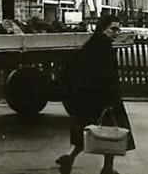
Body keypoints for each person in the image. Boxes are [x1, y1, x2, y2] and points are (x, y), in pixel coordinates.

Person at [56, 14, 135, 174]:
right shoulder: (105, 48)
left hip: (88, 98)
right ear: (103, 29)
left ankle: (69, 157)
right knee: (112, 134)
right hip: (104, 99)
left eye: (118, 29)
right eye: (113, 29)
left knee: (89, 130)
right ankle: (107, 169)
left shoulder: (91, 44)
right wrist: (112, 100)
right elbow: (108, 77)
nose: (116, 32)